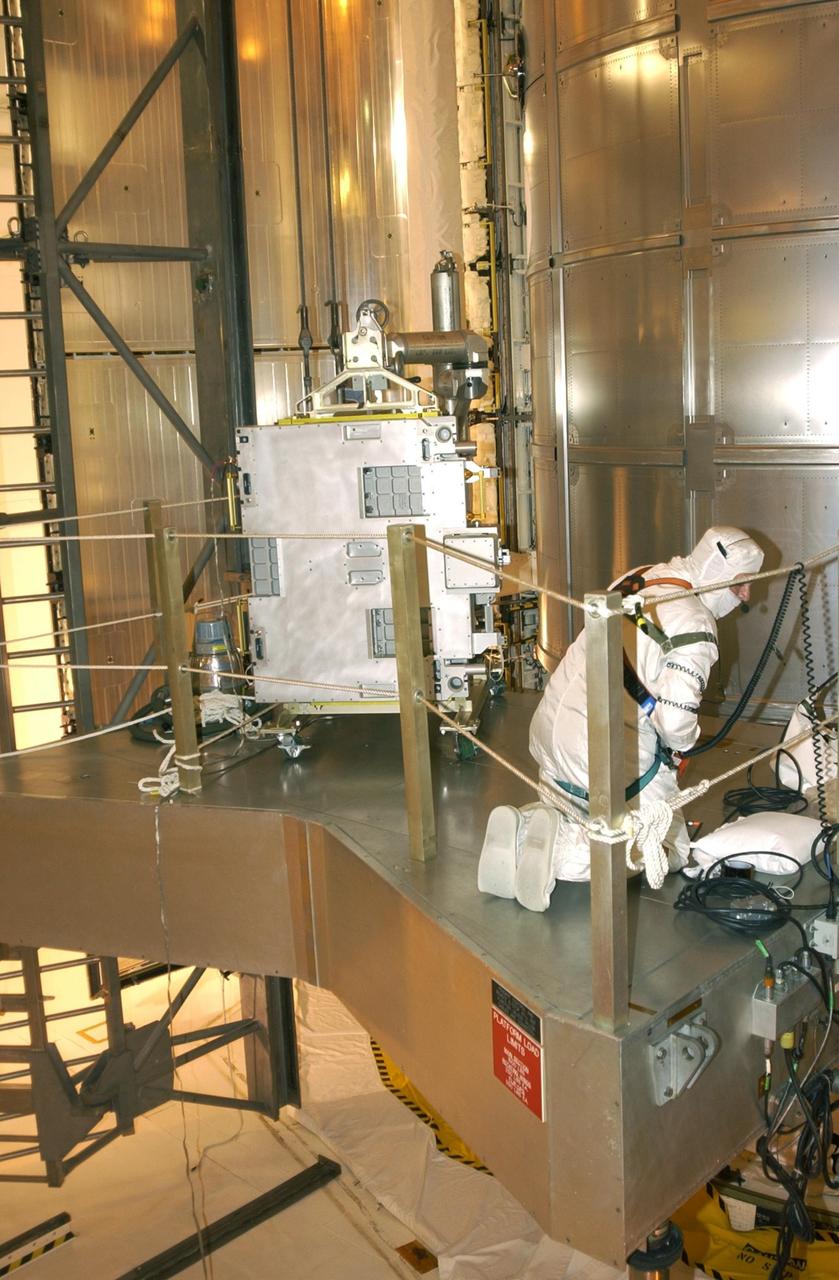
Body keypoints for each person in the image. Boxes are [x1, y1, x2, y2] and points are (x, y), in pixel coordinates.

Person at [478, 527, 765, 911]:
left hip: (552, 729)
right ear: (718, 572)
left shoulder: (645, 575)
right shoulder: (695, 625)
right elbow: (676, 723)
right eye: (742, 584)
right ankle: (559, 850)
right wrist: (682, 751)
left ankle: (528, 824)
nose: (748, 596)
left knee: (578, 807)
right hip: (603, 751)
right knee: (663, 848)